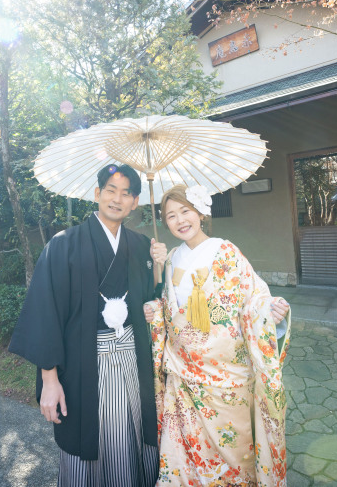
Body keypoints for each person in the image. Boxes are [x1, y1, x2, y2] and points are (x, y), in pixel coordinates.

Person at [8, 164, 163, 487]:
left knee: (134, 436)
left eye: (126, 194)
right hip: (83, 366)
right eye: (110, 190)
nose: (117, 199)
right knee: (86, 443)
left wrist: (158, 268)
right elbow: (44, 314)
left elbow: (153, 304)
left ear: (135, 202)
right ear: (97, 194)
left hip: (134, 363)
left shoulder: (140, 246)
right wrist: (49, 380)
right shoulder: (63, 245)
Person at [143, 184, 291, 487]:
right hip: (183, 375)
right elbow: (171, 310)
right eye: (170, 215)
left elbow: (252, 298)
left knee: (233, 455)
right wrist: (155, 309)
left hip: (225, 377)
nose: (180, 220)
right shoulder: (171, 259)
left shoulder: (226, 251)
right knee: (184, 453)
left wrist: (268, 310)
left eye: (185, 211)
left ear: (200, 212)